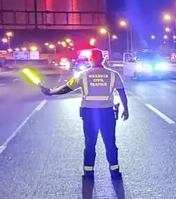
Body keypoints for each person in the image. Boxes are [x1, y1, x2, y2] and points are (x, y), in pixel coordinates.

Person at [39, 49, 129, 181]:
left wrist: (51, 92)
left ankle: (88, 173)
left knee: (90, 144)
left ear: (90, 60)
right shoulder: (113, 75)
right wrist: (126, 109)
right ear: (103, 59)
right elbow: (122, 93)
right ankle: (115, 173)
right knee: (110, 143)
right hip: (107, 114)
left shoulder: (83, 75)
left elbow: (66, 88)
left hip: (90, 114)